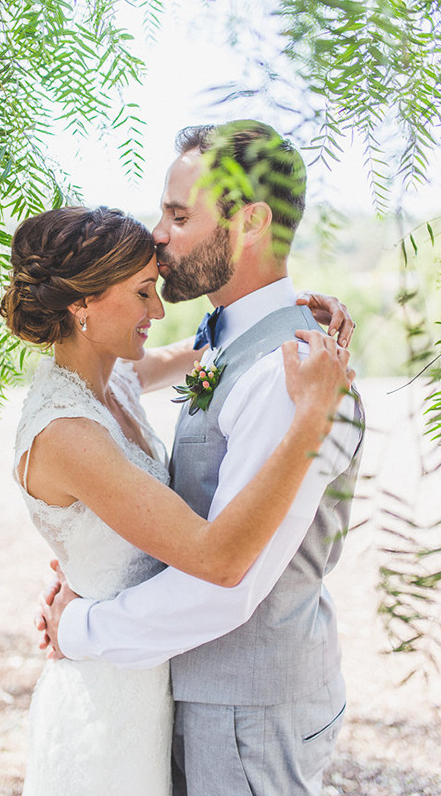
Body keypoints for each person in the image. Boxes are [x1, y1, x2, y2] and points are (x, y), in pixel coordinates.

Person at [40, 121, 365, 796]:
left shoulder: (285, 374)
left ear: (250, 222)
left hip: (246, 712)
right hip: (207, 694)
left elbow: (227, 584)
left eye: (177, 214)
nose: (156, 232)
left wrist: (79, 627)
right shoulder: (229, 340)